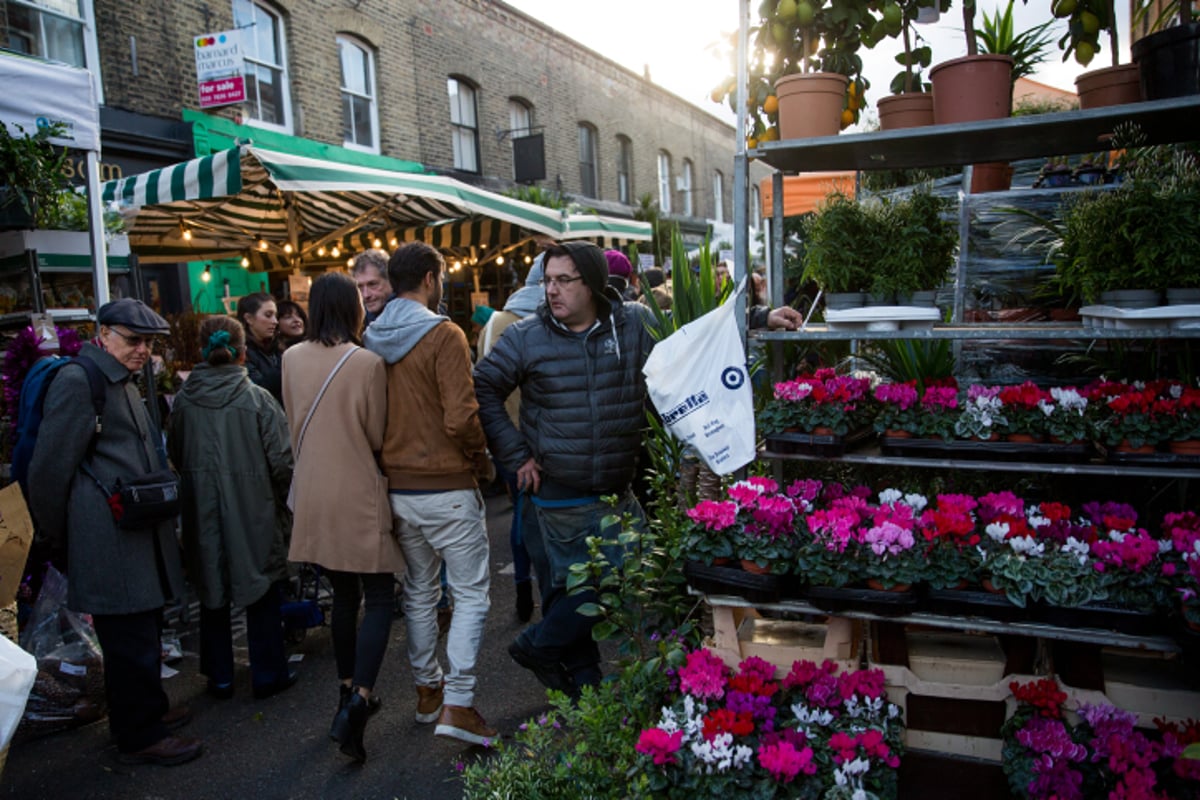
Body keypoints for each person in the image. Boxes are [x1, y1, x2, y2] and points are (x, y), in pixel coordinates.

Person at [474, 241, 657, 697]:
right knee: (574, 587)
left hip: (617, 486)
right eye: (548, 280)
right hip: (558, 492)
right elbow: (484, 386)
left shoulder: (632, 324)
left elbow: (689, 340)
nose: (551, 290)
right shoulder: (526, 335)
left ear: (592, 284)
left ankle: (543, 649)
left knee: (620, 575)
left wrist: (756, 319)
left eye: (563, 281)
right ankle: (581, 683)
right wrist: (515, 455)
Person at [28, 298, 202, 766]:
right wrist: (62, 535)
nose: (142, 349)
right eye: (132, 339)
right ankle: (139, 732)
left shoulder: (116, 378)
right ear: (102, 334)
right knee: (127, 637)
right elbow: (48, 471)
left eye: (147, 342)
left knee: (142, 629)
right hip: (107, 533)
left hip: (132, 528)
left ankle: (149, 711)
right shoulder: (78, 380)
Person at [363, 241, 497, 746]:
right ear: (429, 279)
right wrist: (481, 458)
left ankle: (427, 693)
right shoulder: (445, 333)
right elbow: (461, 416)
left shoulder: (371, 336)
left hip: (397, 487)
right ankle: (458, 703)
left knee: (420, 591)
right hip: (447, 484)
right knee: (469, 596)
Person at [283, 273, 401, 764]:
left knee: (343, 597)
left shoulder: (290, 358)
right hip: (357, 491)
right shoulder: (368, 362)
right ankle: (360, 701)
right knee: (377, 598)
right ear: (354, 308)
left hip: (312, 492)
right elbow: (376, 435)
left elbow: (292, 421)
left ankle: (344, 690)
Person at [166, 316, 295, 703]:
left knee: (211, 590)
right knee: (261, 590)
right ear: (242, 352)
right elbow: (283, 462)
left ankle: (220, 677)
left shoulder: (185, 402)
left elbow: (174, 452)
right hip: (254, 509)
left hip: (200, 510)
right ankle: (268, 673)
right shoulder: (257, 399)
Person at [474, 253, 547, 623]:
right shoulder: (550, 316)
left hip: (503, 433)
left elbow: (482, 378)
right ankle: (552, 591)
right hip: (543, 433)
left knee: (519, 508)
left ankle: (522, 589)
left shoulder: (493, 323)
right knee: (543, 513)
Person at [237, 292, 283, 405]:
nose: (275, 321)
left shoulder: (277, 347)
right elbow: (259, 387)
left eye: (275, 315)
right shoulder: (242, 353)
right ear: (249, 318)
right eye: (268, 315)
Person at [352, 248, 394, 325]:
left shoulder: (409, 315)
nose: (366, 295)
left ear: (390, 280)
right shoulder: (357, 320)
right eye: (360, 287)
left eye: (372, 284)